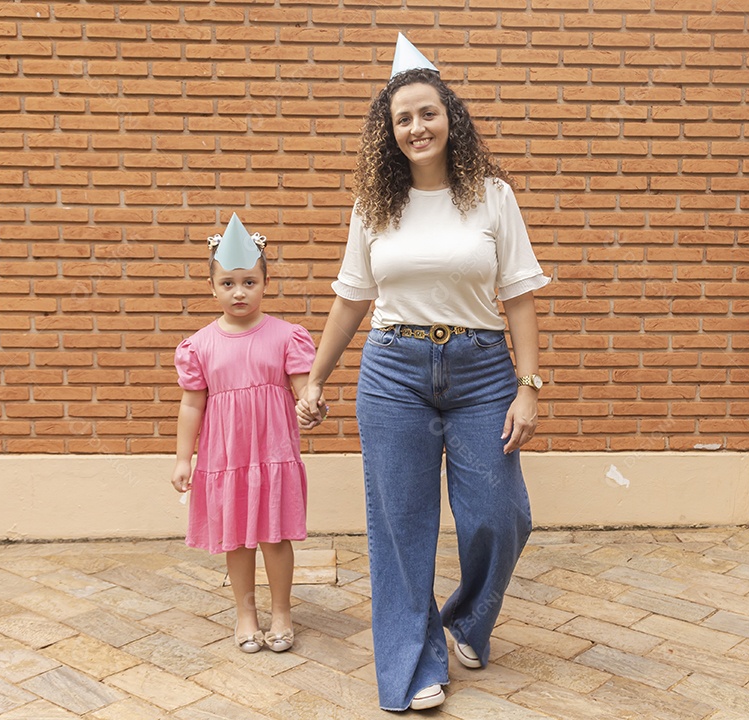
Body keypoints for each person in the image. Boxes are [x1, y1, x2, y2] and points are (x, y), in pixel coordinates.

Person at [297, 35, 548, 712]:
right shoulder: (374, 205)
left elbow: (519, 295)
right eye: (402, 118)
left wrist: (528, 386)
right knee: (400, 528)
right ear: (389, 131)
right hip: (394, 373)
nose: (416, 127)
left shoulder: (492, 196)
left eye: (427, 113)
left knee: (500, 515)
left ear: (450, 118)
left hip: (482, 372)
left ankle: (466, 618)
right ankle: (412, 667)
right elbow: (352, 298)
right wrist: (316, 378)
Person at [172, 213, 315, 654]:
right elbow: (191, 404)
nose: (239, 292)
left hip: (272, 453)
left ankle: (282, 613)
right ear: (212, 287)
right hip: (226, 458)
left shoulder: (287, 336)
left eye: (249, 282)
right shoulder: (199, 345)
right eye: (228, 283)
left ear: (265, 282)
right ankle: (246, 614)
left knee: (275, 535)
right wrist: (183, 458)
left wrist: (313, 406)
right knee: (236, 537)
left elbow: (304, 389)